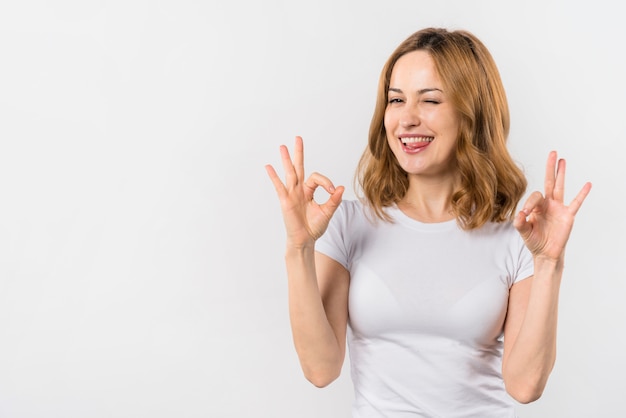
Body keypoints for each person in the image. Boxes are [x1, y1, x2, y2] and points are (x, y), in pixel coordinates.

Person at [265, 27, 591, 417]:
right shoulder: (349, 224)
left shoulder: (516, 236)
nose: (407, 118)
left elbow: (524, 386)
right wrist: (299, 247)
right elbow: (320, 370)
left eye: (430, 100)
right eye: (396, 100)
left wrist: (550, 263)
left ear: (471, 112)